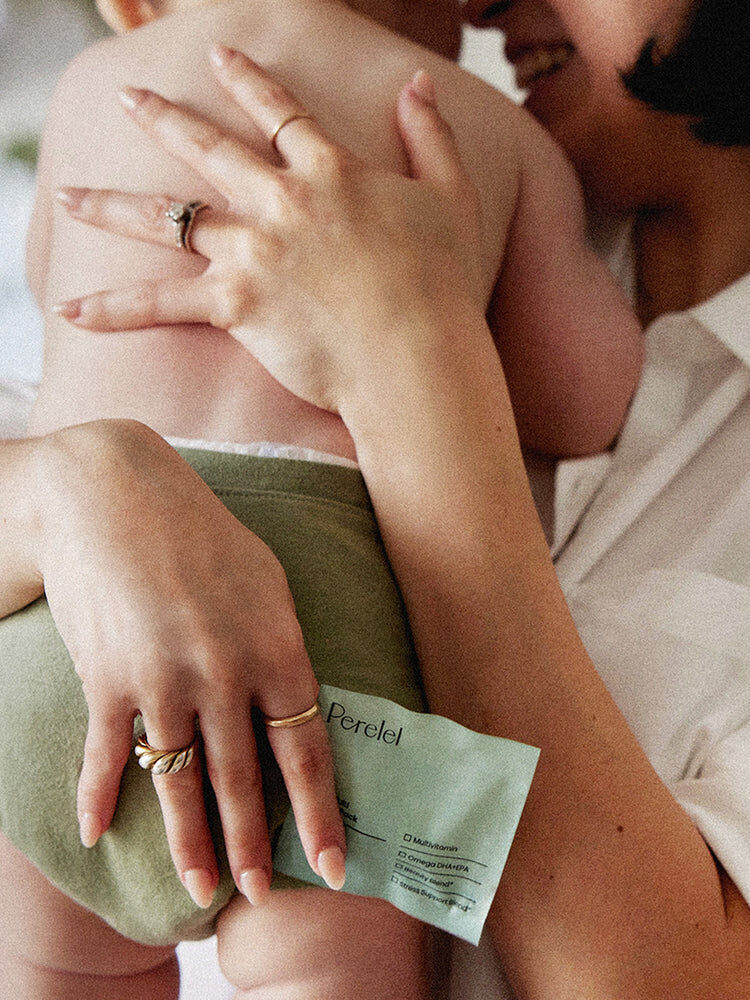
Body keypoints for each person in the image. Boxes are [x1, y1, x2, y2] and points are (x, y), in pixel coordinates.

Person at [34, 0, 750, 998]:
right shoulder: (475, 159)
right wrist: (76, 490)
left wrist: (410, 365)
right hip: (314, 770)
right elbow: (588, 405)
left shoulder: (100, 97)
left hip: (40, 712)